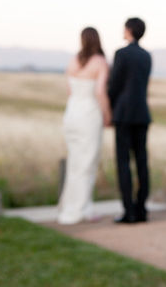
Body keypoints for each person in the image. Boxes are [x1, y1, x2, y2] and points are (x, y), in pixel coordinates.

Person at [57, 27, 111, 225]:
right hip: (89, 115)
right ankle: (79, 209)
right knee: (87, 163)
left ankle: (77, 206)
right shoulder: (100, 62)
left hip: (72, 114)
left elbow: (70, 90)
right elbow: (99, 92)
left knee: (75, 163)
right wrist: (107, 115)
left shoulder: (73, 61)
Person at [108, 17, 152, 223]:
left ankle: (129, 211)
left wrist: (111, 106)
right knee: (142, 162)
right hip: (142, 113)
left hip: (124, 114)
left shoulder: (121, 54)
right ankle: (142, 209)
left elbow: (114, 84)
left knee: (123, 162)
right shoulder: (146, 56)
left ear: (129, 30)